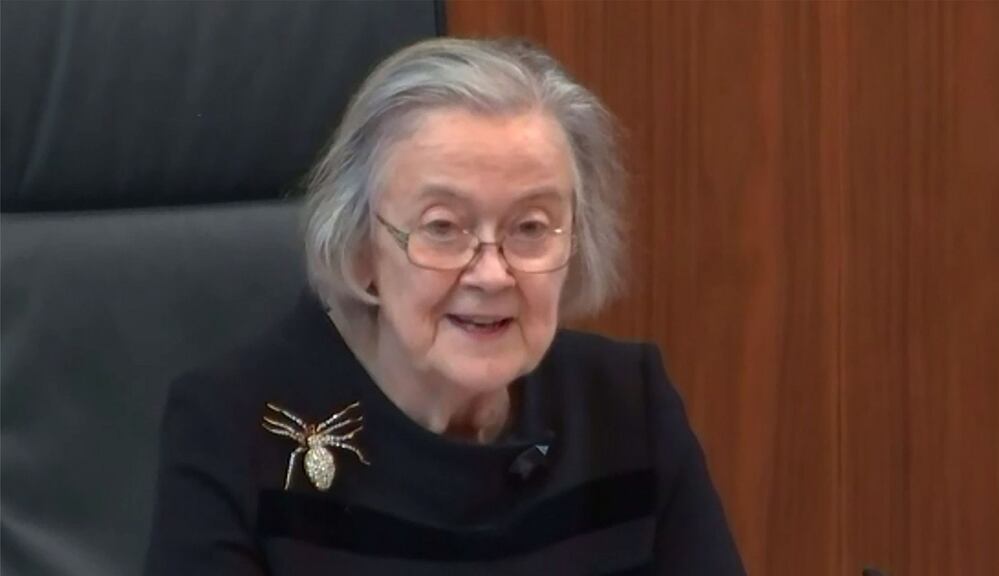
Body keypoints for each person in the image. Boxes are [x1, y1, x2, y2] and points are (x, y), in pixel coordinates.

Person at [145, 37, 745, 575]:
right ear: (360, 250)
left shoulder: (627, 407)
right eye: (443, 227)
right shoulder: (234, 428)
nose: (491, 272)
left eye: (531, 227)